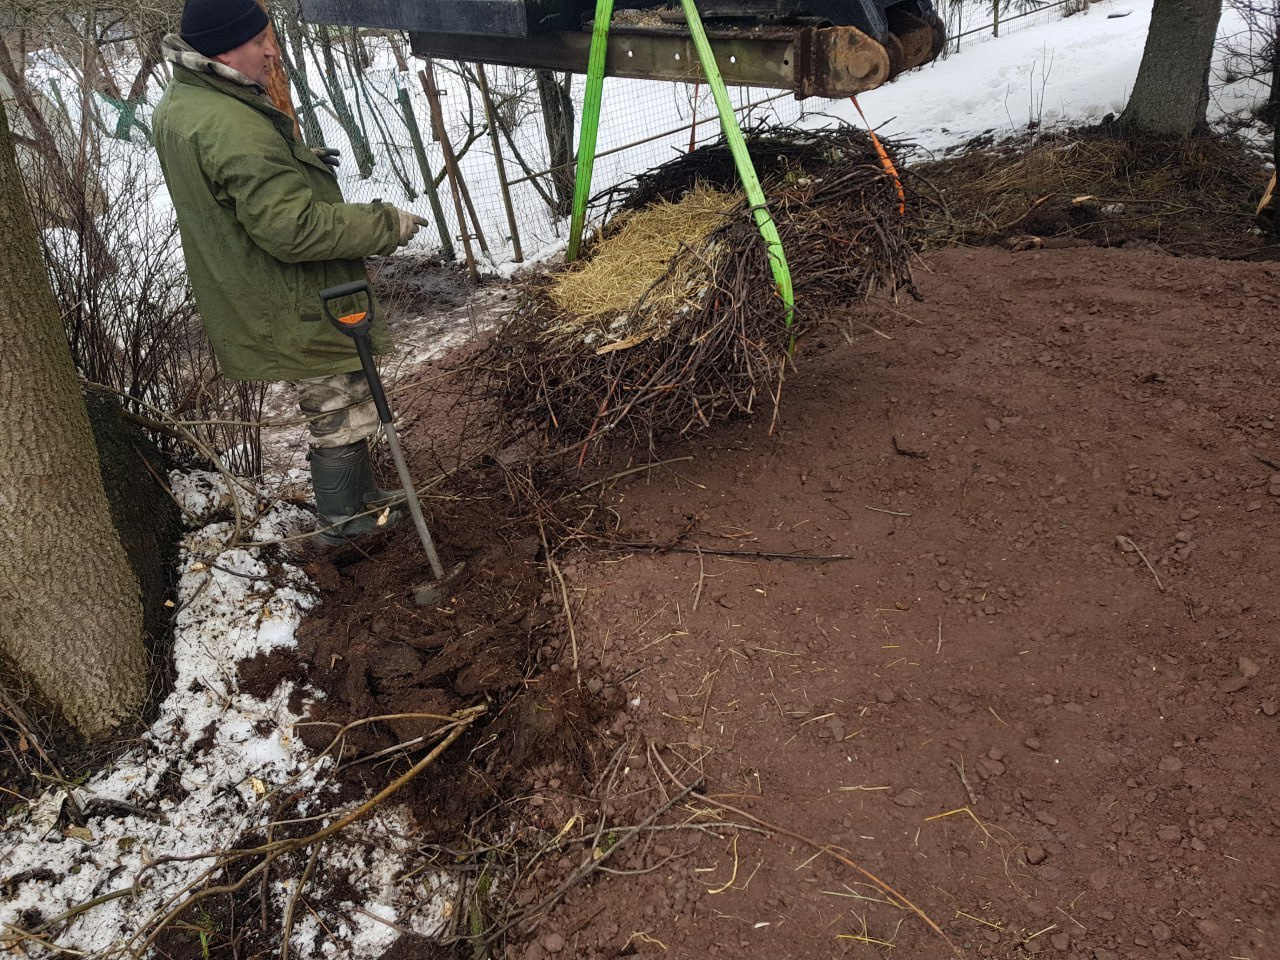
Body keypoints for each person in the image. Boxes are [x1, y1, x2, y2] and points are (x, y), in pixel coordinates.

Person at [152, 0, 425, 543]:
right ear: (226, 48)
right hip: (290, 295)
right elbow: (291, 229)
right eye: (261, 42)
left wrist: (298, 164)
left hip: (252, 287)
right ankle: (345, 526)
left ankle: (365, 502)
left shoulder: (185, 102)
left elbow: (242, 194)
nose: (272, 51)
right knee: (336, 406)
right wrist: (384, 224)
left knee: (344, 395)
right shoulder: (229, 124)